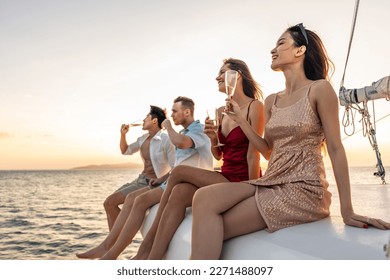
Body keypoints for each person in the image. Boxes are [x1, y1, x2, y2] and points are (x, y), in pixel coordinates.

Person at [189, 23, 390, 260]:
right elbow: (266, 151)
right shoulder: (272, 100)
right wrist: (242, 121)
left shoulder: (319, 89)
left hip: (304, 188)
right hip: (272, 180)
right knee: (203, 197)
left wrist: (347, 210)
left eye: (281, 43)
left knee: (218, 224)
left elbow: (335, 148)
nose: (273, 50)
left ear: (300, 50)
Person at [133, 58, 265, 260]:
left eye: (223, 72)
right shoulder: (222, 111)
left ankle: (147, 246)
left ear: (236, 75)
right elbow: (219, 155)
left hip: (243, 178)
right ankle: (153, 257)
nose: (217, 77)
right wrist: (213, 139)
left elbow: (253, 153)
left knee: (178, 171)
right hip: (226, 174)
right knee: (179, 191)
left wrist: (251, 189)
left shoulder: (255, 107)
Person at [76, 96, 213, 259]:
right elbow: (127, 151)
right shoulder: (166, 135)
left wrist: (168, 126)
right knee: (126, 199)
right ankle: (109, 248)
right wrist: (123, 135)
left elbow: (181, 146)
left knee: (138, 200)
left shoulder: (191, 131)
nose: (172, 115)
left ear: (187, 112)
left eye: (175, 111)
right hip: (168, 180)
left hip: (186, 183)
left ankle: (113, 252)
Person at [104, 105, 175, 230]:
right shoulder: (143, 139)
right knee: (108, 203)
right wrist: (123, 135)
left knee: (110, 202)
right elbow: (125, 151)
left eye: (146, 117)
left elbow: (175, 167)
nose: (143, 120)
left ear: (154, 121)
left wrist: (161, 180)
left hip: (153, 183)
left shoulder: (166, 139)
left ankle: (115, 242)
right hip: (140, 179)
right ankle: (117, 238)